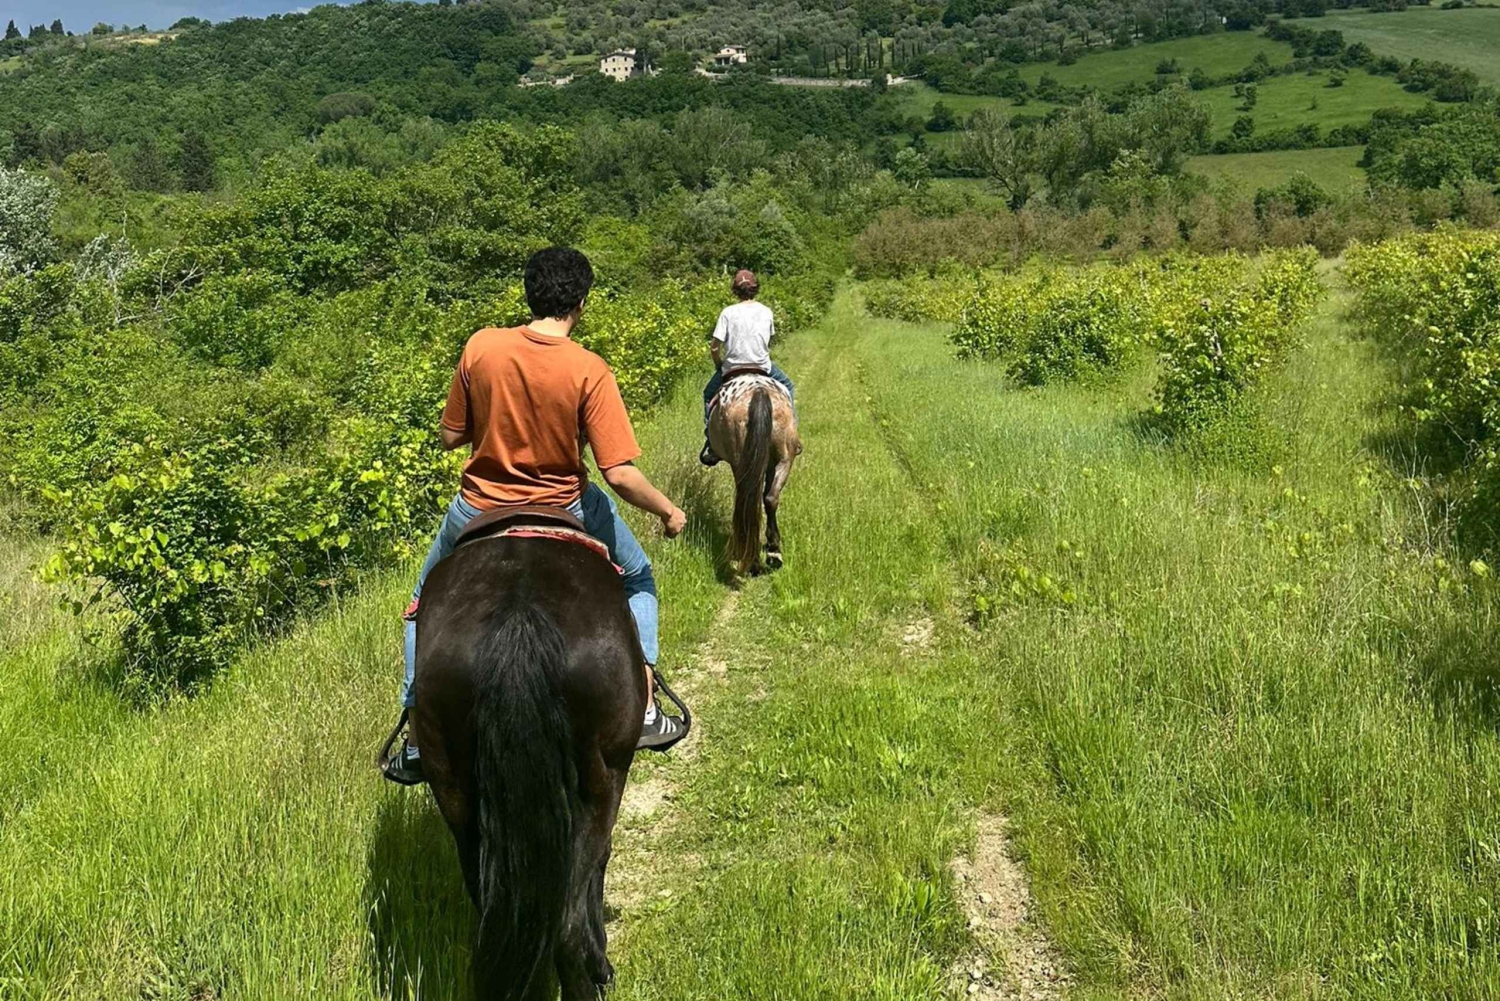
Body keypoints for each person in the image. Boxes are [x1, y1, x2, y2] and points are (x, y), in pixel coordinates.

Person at [385, 247, 689, 786]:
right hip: (566, 504)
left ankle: (414, 734)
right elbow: (617, 473)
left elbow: (451, 435)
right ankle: (643, 705)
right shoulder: (589, 369)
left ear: (529, 294)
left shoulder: (481, 346)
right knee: (639, 578)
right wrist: (668, 510)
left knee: (421, 603)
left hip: (477, 505)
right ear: (581, 303)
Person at [699, 269, 795, 467]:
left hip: (732, 368)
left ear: (735, 291)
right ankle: (791, 436)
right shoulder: (766, 311)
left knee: (709, 395)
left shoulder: (727, 312)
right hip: (762, 367)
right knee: (788, 385)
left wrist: (720, 366)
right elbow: (767, 341)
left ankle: (711, 442)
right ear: (755, 289)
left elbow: (715, 347)